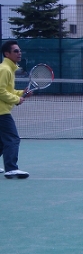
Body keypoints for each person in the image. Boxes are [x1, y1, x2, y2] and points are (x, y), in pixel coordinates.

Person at [0, 40, 30, 179]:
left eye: (20, 51)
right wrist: (17, 100)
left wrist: (21, 93)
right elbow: (0, 91)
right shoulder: (5, 70)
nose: (19, 53)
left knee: (2, 141)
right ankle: (11, 169)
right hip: (1, 112)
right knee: (12, 139)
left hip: (2, 110)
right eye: (16, 51)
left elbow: (8, 90)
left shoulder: (9, 69)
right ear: (7, 54)